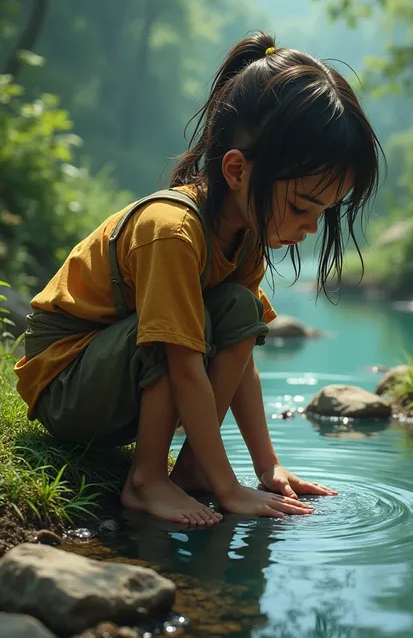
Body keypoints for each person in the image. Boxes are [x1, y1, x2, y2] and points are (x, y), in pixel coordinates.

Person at [15, 31, 381, 527]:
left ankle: (189, 472)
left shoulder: (244, 236)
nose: (311, 227)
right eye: (300, 206)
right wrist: (231, 490)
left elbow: (239, 350)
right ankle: (145, 480)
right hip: (67, 383)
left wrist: (267, 465)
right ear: (236, 170)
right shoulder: (171, 231)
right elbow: (181, 364)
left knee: (238, 308)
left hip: (114, 375)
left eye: (323, 212)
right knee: (171, 333)